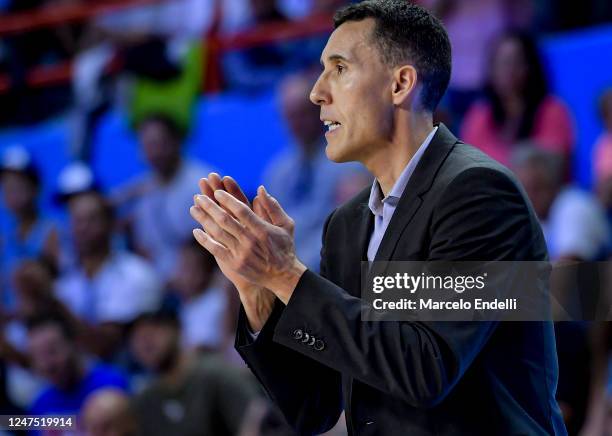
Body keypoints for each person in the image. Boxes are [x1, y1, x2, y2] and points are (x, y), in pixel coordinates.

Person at [189, 1, 567, 434]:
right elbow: (317, 404)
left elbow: (426, 368)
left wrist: (286, 274)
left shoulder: (478, 194)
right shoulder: (345, 226)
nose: (317, 92)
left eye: (339, 69)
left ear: (400, 83)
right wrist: (259, 294)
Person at [263, 70, 370, 270]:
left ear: (320, 111)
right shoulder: (278, 171)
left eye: (302, 113)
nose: (297, 123)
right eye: (290, 116)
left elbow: (351, 232)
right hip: (288, 263)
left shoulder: (349, 161)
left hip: (329, 264)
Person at [55, 190, 162, 359]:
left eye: (91, 220)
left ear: (111, 224)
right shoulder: (65, 283)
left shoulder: (137, 274)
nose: (83, 228)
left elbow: (106, 347)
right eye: (77, 221)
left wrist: (53, 304)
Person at [115, 113, 213, 282]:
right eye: (148, 146)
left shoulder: (203, 183)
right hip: (154, 284)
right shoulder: (141, 190)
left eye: (159, 144)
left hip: (199, 284)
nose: (155, 153)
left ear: (177, 141)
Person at [128, 310, 258, 436]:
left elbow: (257, 416)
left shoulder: (216, 374)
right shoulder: (145, 399)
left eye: (153, 330)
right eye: (136, 336)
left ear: (177, 330)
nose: (144, 340)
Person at [460, 31, 574, 168]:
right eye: (502, 63)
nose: (509, 70)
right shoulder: (478, 116)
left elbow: (554, 166)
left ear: (531, 66)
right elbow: (468, 167)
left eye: (516, 62)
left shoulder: (553, 110)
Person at [27, 313, 129, 416]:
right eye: (37, 356)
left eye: (52, 352)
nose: (47, 365)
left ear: (74, 344)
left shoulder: (111, 385)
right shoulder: (40, 406)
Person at [0, 145, 59, 309]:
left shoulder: (52, 232)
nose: (11, 191)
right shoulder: (5, 239)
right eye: (6, 185)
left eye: (18, 184)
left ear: (35, 187)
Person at [171, 239, 228, 352]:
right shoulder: (185, 303)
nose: (180, 274)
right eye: (180, 266)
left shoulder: (216, 303)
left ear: (205, 273)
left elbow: (204, 347)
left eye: (188, 268)